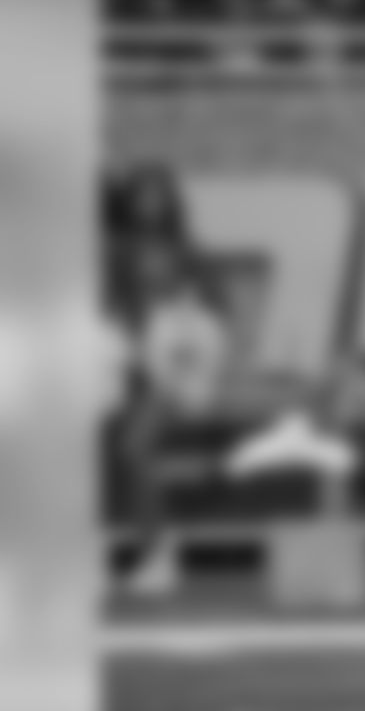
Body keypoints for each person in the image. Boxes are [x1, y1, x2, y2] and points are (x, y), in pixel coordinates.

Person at [105, 163, 231, 598]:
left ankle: (157, 552)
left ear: (171, 201)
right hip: (125, 366)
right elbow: (110, 307)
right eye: (142, 194)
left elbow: (218, 311)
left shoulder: (188, 250)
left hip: (175, 369)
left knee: (134, 448)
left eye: (158, 194)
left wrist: (185, 320)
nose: (150, 203)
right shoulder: (117, 249)